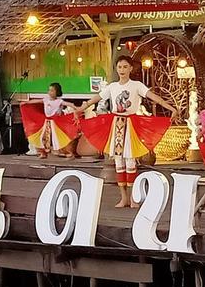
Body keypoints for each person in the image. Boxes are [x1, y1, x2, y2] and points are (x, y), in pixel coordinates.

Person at [74, 56, 178, 208]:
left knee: (130, 162)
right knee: (118, 162)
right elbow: (96, 98)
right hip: (116, 126)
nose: (122, 70)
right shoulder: (112, 86)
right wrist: (81, 108)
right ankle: (124, 198)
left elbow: (153, 97)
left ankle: (134, 198)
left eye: (125, 67)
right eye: (119, 67)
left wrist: (171, 108)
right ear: (117, 69)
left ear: (131, 68)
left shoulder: (136, 85)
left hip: (130, 125)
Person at [20, 82, 79, 160]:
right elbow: (35, 101)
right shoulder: (46, 100)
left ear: (57, 92)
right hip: (47, 122)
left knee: (60, 138)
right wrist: (26, 102)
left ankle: (69, 154)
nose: (50, 92)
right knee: (43, 137)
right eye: (49, 90)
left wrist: (76, 110)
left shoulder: (59, 101)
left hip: (56, 123)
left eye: (52, 91)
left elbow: (70, 104)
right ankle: (43, 153)